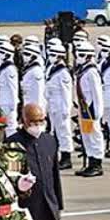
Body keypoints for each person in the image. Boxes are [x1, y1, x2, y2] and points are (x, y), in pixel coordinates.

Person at [74, 41, 105, 177]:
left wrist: (97, 112)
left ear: (88, 56)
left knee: (94, 136)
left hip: (91, 109)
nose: (78, 57)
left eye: (81, 54)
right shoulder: (83, 69)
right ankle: (90, 161)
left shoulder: (92, 72)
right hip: (84, 108)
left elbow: (97, 93)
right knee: (86, 136)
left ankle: (97, 163)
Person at [45, 42, 74, 170]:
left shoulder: (63, 73)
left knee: (64, 132)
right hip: (53, 106)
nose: (50, 56)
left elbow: (66, 93)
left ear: (59, 56)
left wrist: (66, 110)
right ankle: (57, 156)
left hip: (61, 107)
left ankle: (66, 157)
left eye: (52, 54)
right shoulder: (52, 68)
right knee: (55, 132)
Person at [0, 41, 20, 137]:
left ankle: (13, 147)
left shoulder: (10, 69)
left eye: (1, 52)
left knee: (11, 127)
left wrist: (13, 105)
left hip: (8, 103)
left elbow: (13, 88)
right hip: (3, 101)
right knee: (4, 127)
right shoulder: (4, 67)